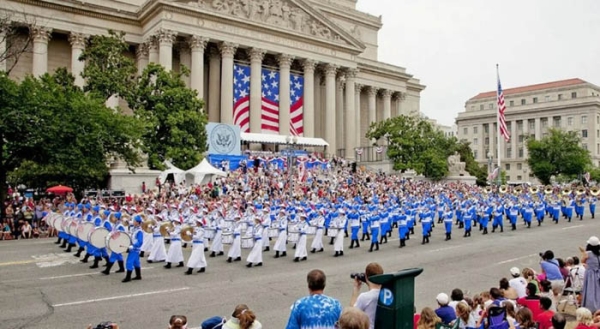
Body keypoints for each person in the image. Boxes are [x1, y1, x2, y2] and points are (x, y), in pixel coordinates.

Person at [350, 262, 383, 329]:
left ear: (366, 277)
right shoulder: (386, 294)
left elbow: (351, 313)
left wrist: (356, 289)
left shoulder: (365, 297)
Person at [122, 214, 143, 282]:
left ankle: (128, 277)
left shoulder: (139, 231)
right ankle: (138, 275)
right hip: (132, 247)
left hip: (134, 248)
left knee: (129, 262)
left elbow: (140, 241)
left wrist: (133, 246)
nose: (133, 221)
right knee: (136, 262)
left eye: (134, 221)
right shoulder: (133, 228)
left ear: (137, 222)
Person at [582, 236, 600, 312]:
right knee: (597, 291)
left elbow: (582, 261)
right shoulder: (598, 254)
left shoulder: (588, 253)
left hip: (590, 274)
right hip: (597, 273)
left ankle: (590, 307)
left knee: (589, 291)